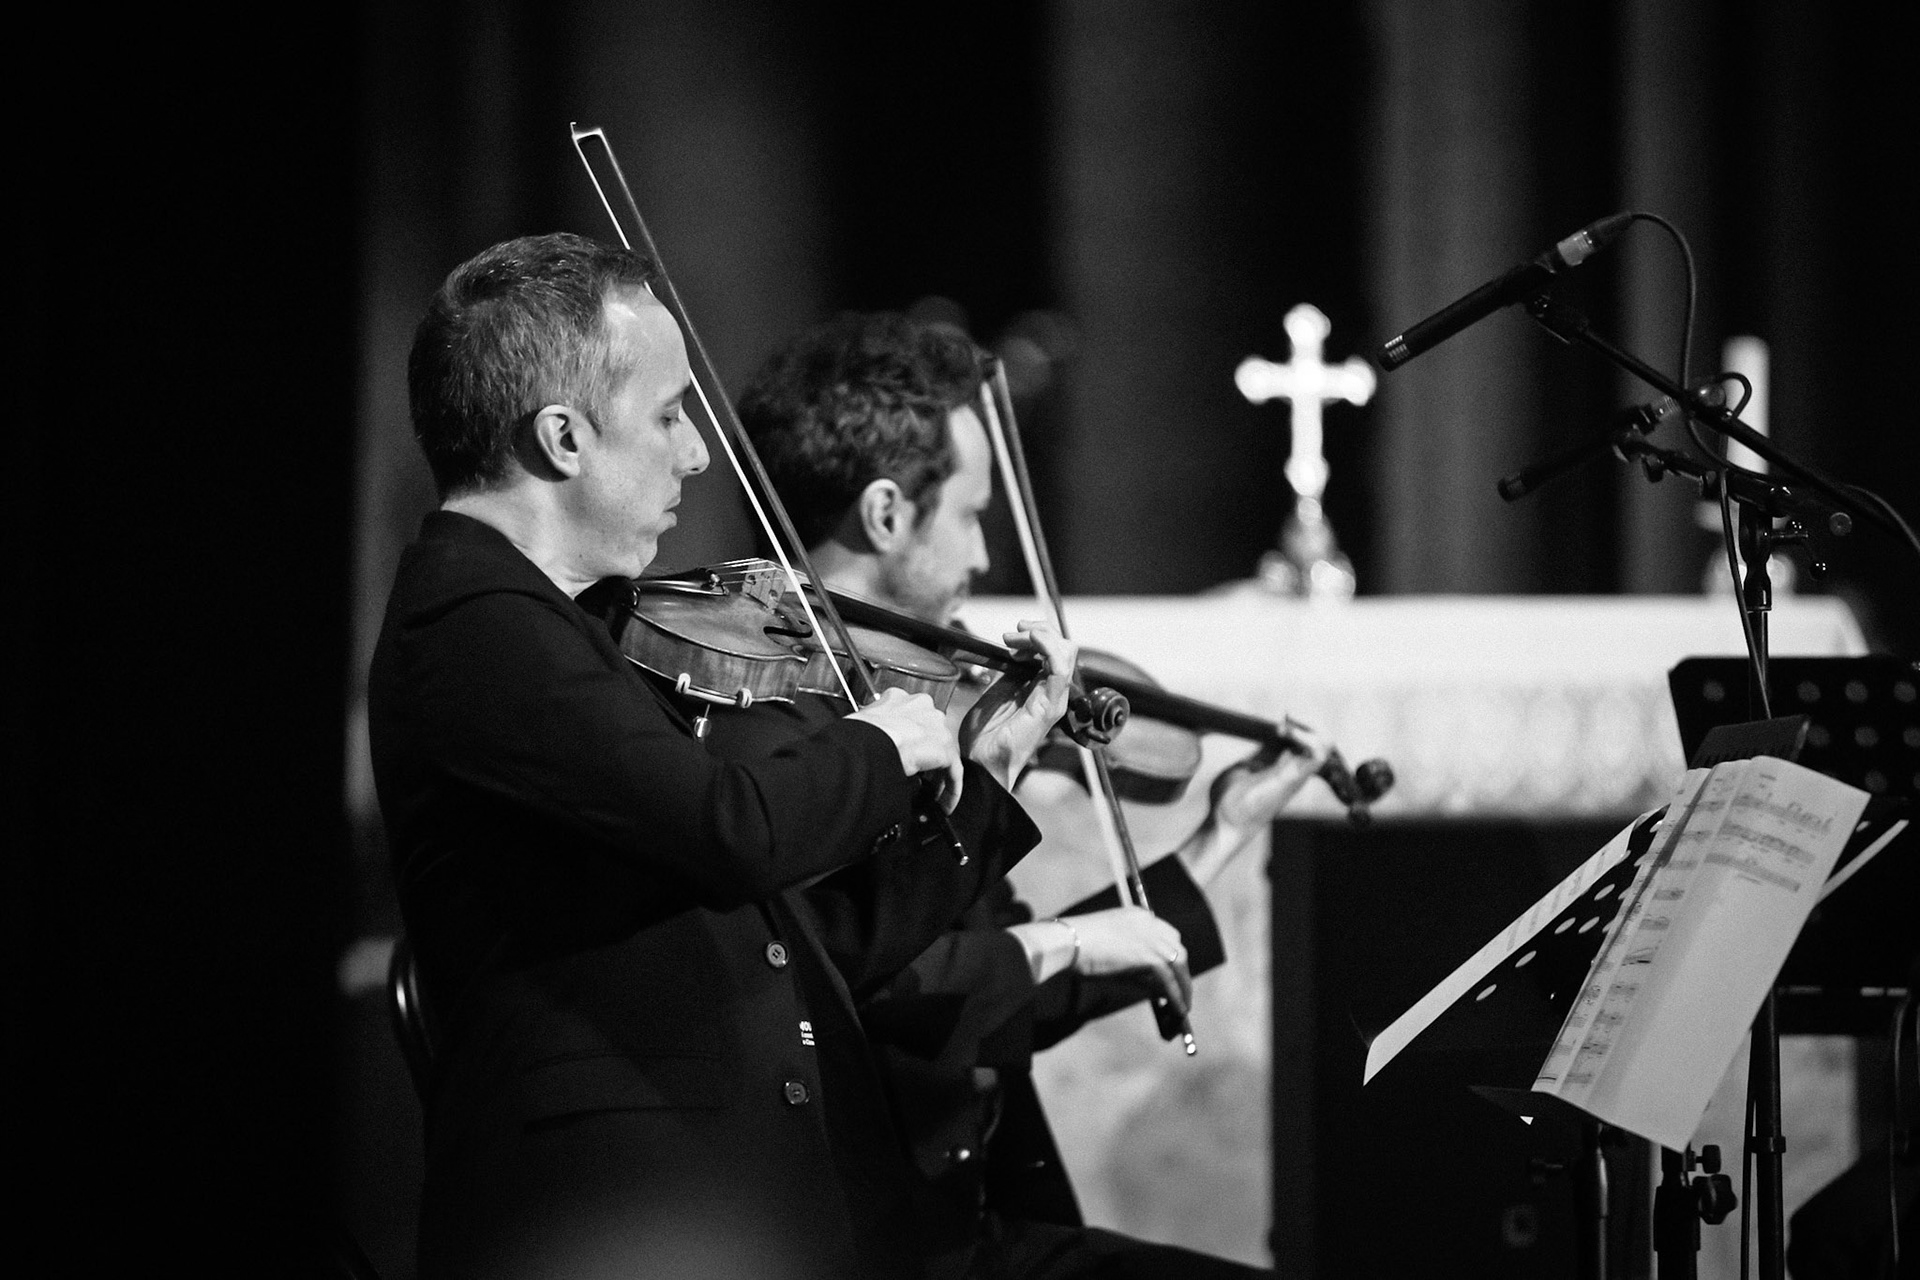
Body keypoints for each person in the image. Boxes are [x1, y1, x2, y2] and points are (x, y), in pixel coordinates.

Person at [368, 234, 1079, 1280]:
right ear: (562, 437)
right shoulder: (470, 622)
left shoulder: (573, 624)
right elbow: (728, 828)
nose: (698, 452)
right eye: (667, 414)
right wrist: (876, 745)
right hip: (611, 1225)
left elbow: (819, 946)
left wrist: (987, 783)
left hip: (735, 1219)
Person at [705, 311, 1325, 1277]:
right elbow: (871, 986)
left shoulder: (912, 699)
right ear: (884, 515)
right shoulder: (776, 729)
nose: (987, 557)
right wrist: (1062, 935)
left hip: (967, 1215)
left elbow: (994, 996)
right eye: (969, 512)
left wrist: (1219, 837)